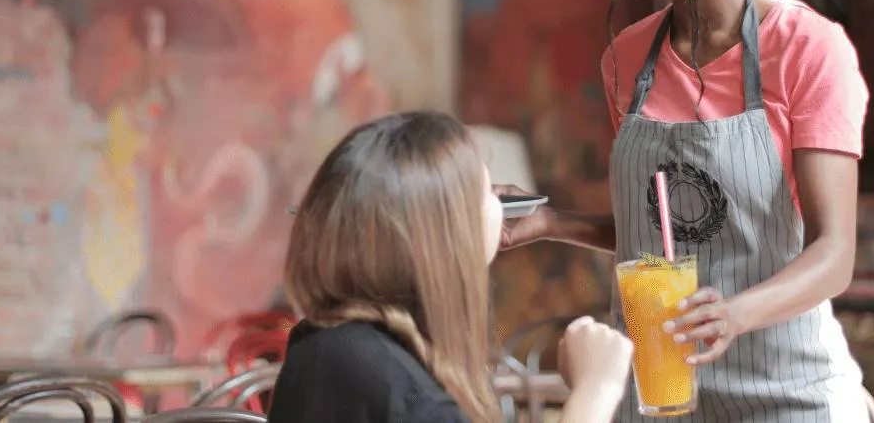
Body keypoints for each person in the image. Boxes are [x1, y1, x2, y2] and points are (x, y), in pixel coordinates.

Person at [498, 0, 871, 421]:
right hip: (660, 389)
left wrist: (734, 315)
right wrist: (551, 223)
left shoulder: (807, 48)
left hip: (787, 390)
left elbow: (834, 254)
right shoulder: (624, 61)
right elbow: (661, 234)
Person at [267, 111, 635, 422]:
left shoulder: (322, 343)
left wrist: (553, 222)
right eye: (488, 192)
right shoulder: (397, 387)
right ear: (447, 232)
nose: (503, 201)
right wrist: (596, 390)